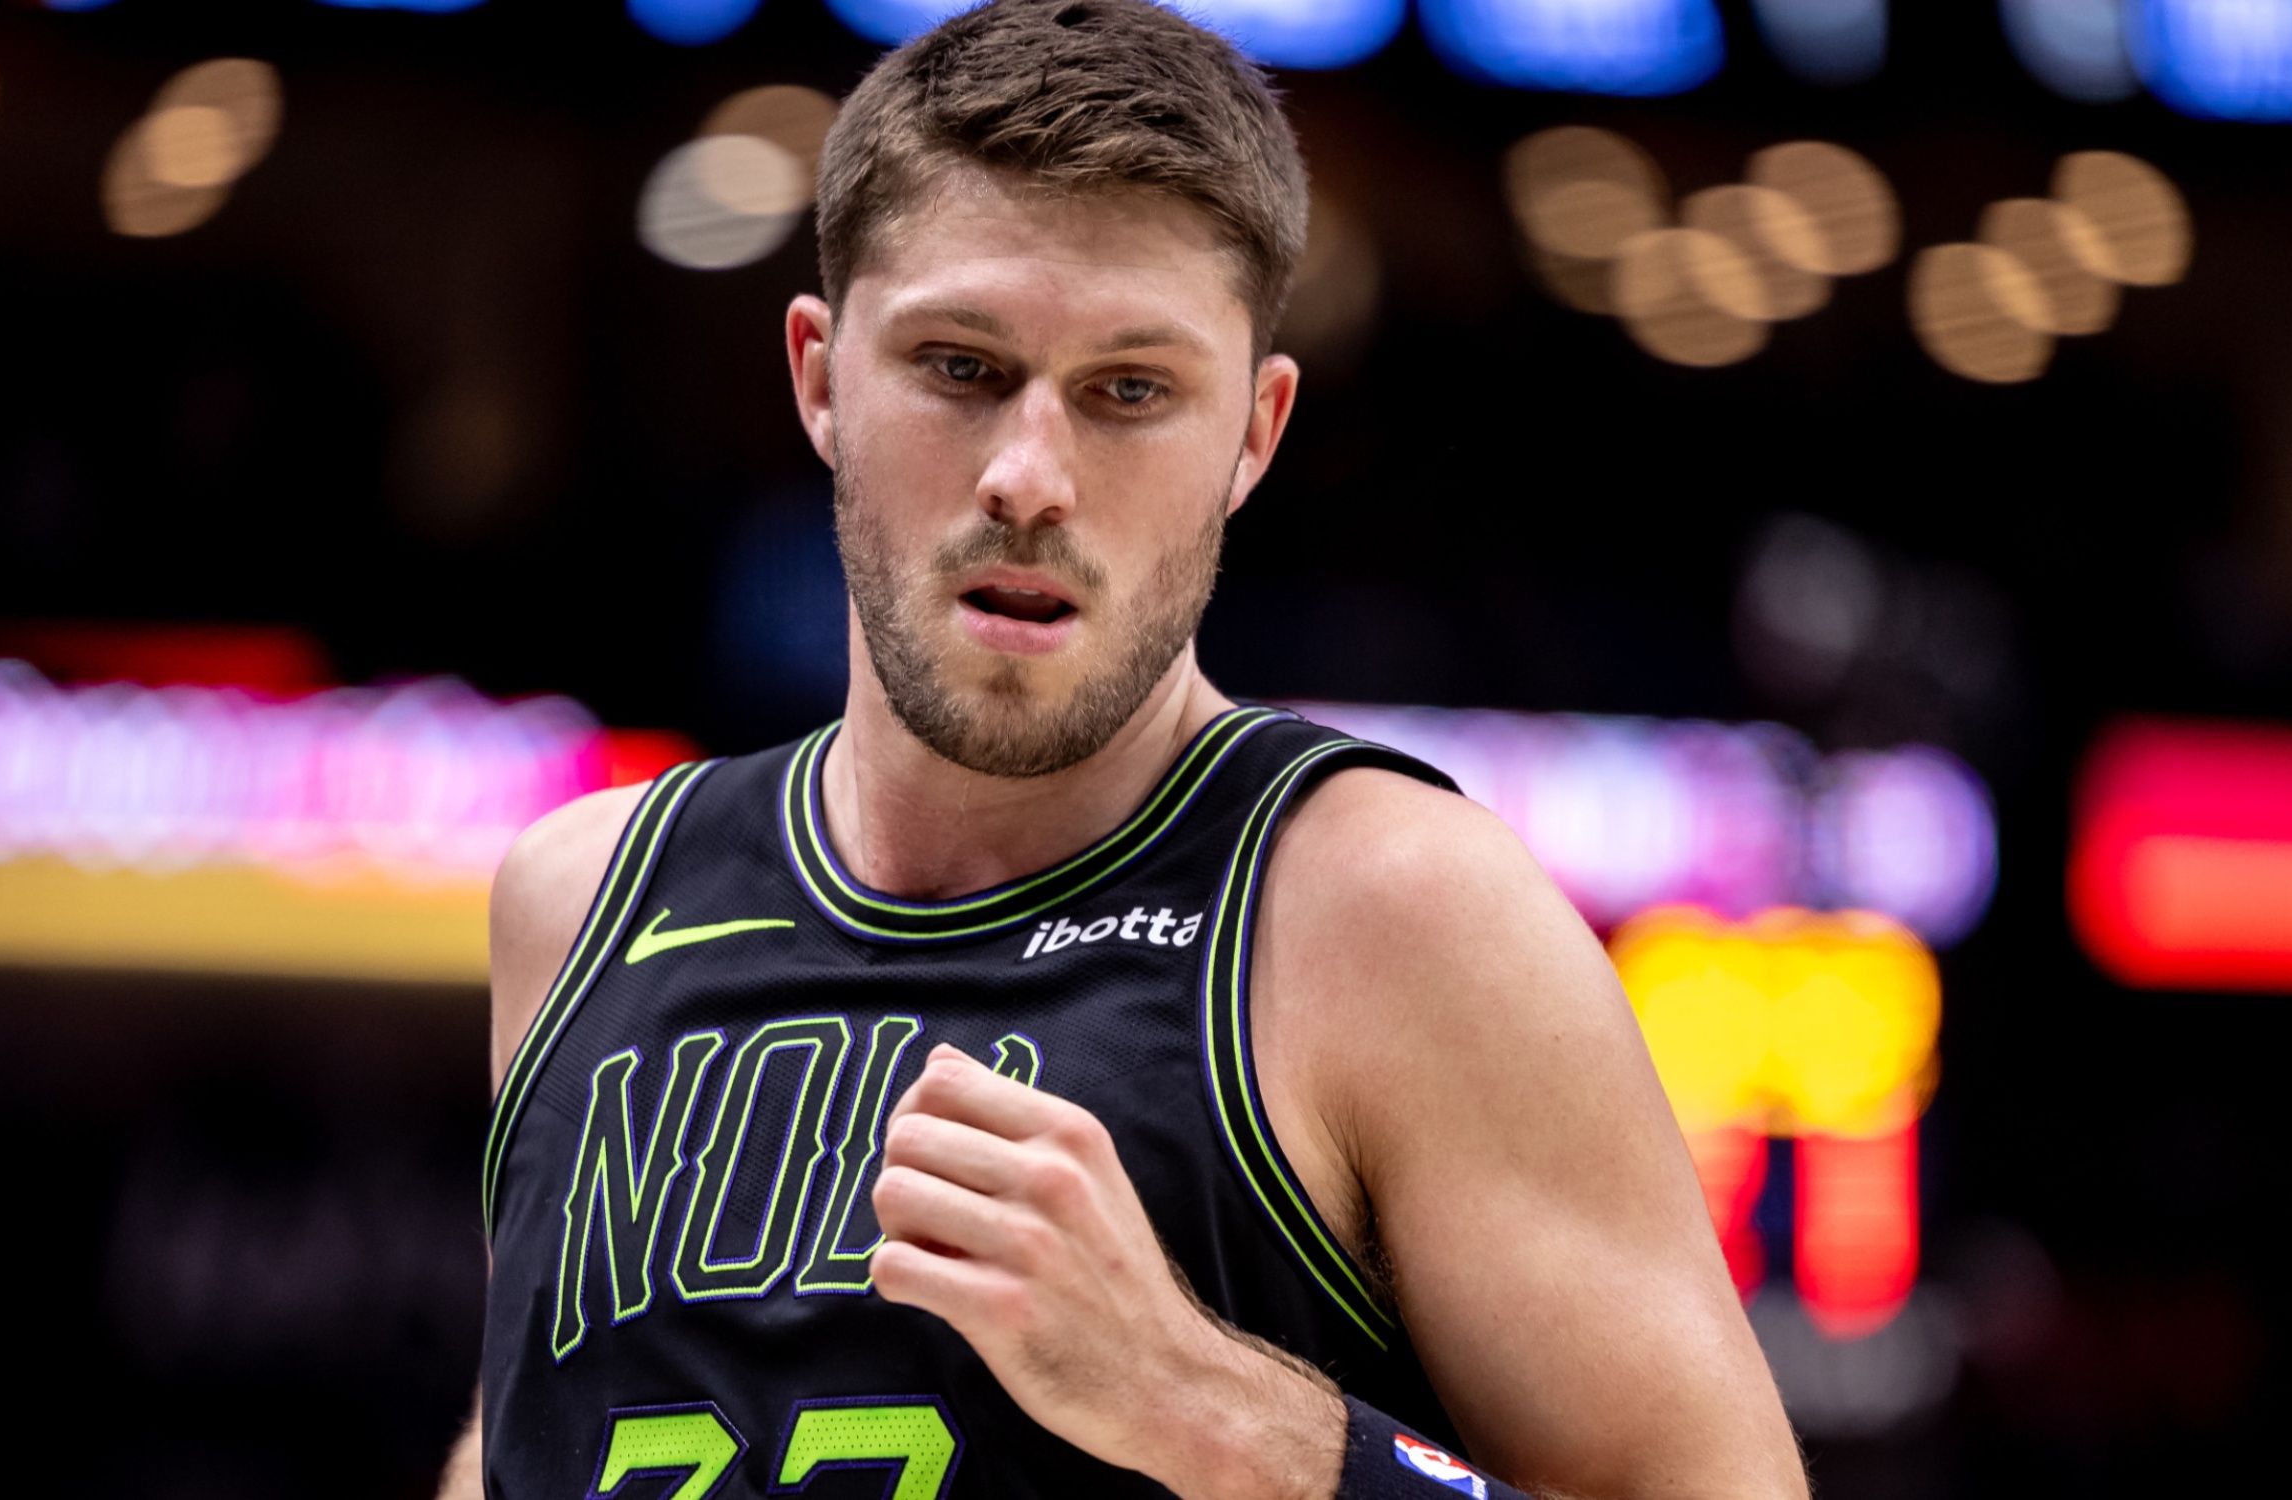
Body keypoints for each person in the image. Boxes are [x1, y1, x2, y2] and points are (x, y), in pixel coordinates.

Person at [449, 1, 1805, 1494]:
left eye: (1131, 392)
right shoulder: (580, 901)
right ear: (822, 377)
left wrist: (1217, 1413)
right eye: (961, 368)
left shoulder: (1392, 913)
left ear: (1253, 435)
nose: (1033, 475)